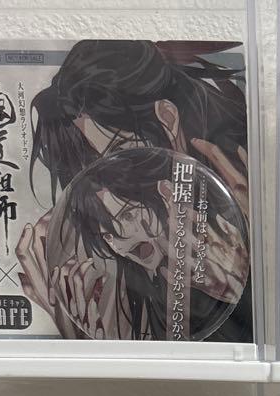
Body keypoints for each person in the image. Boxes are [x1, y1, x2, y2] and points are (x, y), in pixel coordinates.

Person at [21, 39, 252, 342]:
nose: (116, 208)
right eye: (95, 182)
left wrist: (251, 275)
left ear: (167, 119)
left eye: (124, 158)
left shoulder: (245, 184)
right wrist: (74, 329)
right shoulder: (112, 261)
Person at [49, 148, 248, 340]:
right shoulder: (149, 298)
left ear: (164, 194)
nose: (122, 239)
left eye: (128, 215)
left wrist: (237, 289)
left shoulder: (217, 251)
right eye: (108, 235)